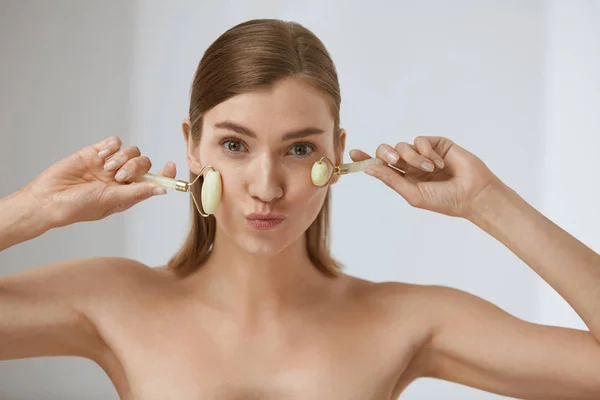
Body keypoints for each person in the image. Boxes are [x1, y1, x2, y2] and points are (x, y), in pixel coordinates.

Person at [1, 18, 599, 400]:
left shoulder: (407, 320)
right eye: (234, 145)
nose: (266, 185)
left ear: (338, 154)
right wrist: (33, 210)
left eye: (299, 148)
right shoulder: (112, 300)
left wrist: (486, 202)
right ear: (192, 146)